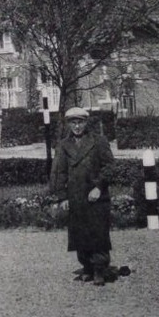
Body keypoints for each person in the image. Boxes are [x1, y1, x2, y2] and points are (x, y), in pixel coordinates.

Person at [48, 107, 127, 286]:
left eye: (80, 122)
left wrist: (99, 187)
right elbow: (59, 172)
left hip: (96, 197)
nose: (77, 126)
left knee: (98, 233)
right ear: (68, 124)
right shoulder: (63, 145)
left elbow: (110, 167)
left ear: (86, 122)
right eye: (73, 122)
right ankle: (87, 267)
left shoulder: (98, 141)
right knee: (79, 234)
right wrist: (62, 197)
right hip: (75, 196)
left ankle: (99, 268)